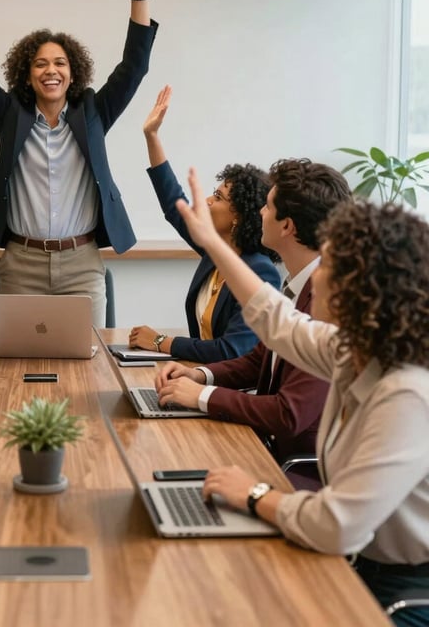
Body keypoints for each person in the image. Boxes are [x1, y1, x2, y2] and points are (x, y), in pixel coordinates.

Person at [176, 167, 429, 625]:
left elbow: (337, 525)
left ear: (362, 288)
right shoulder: (355, 349)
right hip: (358, 560)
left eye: (329, 265)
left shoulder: (408, 394)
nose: (317, 278)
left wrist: (254, 494)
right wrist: (212, 243)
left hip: (404, 593)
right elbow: (277, 323)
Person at [0, 0, 158, 327]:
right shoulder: (11, 115)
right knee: (12, 369)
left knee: (89, 365)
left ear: (73, 72)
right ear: (27, 75)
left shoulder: (93, 112)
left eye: (60, 63)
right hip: (21, 263)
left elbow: (134, 66)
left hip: (81, 263)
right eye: (40, 63)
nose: (51, 70)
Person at [155, 158, 351, 475]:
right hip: (264, 447)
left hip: (296, 470)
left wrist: (203, 396)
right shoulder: (298, 284)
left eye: (269, 207)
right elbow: (258, 359)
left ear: (287, 226)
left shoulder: (327, 302)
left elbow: (290, 414)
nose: (260, 211)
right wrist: (200, 375)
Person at [129, 86, 280, 362]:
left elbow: (232, 350)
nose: (208, 200)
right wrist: (152, 136)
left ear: (239, 215)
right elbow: (174, 203)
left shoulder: (259, 272)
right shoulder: (216, 255)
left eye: (219, 197)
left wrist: (162, 341)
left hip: (232, 391)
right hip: (200, 377)